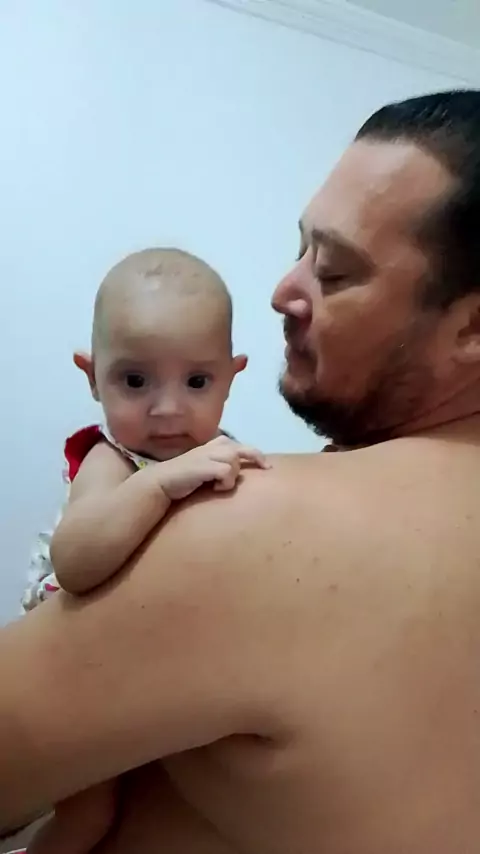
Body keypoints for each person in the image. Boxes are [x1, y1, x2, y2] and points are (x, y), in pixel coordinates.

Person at [2, 89, 480, 854]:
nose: (283, 291)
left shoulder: (258, 530)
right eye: (299, 249)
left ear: (473, 326)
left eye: (334, 271)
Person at [16, 247, 266, 854]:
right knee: (88, 818)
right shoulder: (113, 460)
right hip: (83, 669)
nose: (167, 409)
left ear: (232, 376)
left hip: (160, 667)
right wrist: (156, 485)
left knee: (165, 806)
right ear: (91, 375)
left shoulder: (218, 450)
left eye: (197, 382)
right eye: (134, 381)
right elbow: (76, 561)